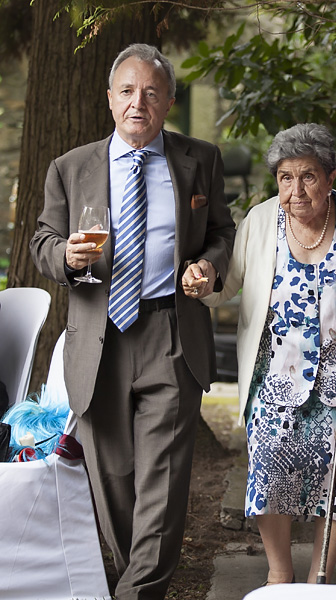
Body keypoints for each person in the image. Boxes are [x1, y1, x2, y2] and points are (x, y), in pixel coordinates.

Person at [30, 43, 235, 600]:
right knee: (113, 481)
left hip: (171, 333)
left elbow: (221, 233)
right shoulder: (70, 168)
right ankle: (135, 580)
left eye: (150, 92)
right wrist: (66, 259)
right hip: (99, 342)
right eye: (127, 91)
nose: (137, 103)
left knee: (163, 485)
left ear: (169, 100)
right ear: (110, 99)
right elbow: (42, 243)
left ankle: (135, 594)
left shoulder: (202, 159)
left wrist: (208, 268)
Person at [197, 123, 336, 586]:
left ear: (330, 177)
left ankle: (319, 578)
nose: (296, 190)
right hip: (276, 378)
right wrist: (202, 282)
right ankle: (279, 573)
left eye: (308, 175)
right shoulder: (259, 220)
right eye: (285, 177)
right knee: (270, 470)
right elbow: (225, 286)